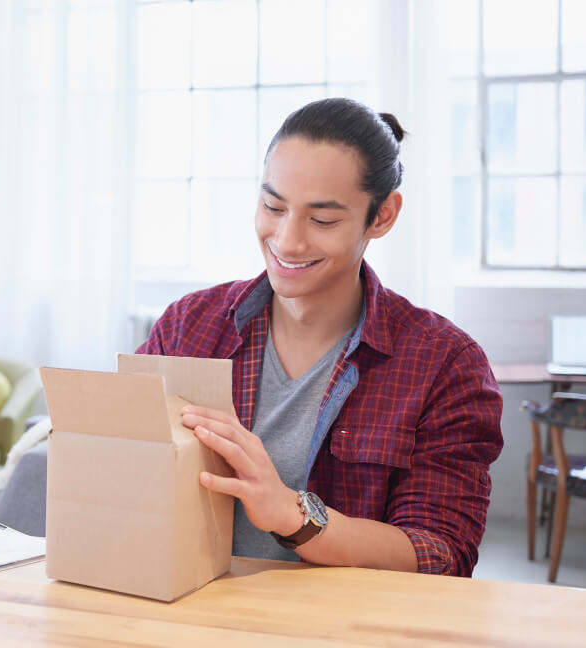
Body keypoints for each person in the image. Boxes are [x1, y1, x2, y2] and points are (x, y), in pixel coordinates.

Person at [137, 97, 503, 577]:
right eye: (273, 206)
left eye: (323, 220)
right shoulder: (188, 326)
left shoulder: (444, 364)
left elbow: (439, 554)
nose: (287, 241)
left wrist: (293, 515)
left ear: (383, 215)